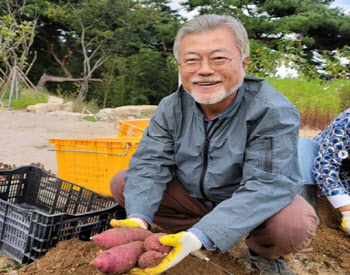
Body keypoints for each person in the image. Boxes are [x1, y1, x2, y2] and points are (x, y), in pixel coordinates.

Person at [110, 14, 319, 275]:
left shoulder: (272, 110)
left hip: (247, 201)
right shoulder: (171, 107)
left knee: (293, 223)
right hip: (192, 198)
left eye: (219, 58)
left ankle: (260, 253)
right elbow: (149, 164)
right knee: (124, 182)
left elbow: (267, 184)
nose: (204, 69)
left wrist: (205, 233)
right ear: (180, 66)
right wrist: (138, 220)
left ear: (243, 62)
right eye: (191, 60)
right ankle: (189, 234)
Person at [312, 108, 350, 234]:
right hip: (322, 173)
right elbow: (325, 165)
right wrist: (347, 211)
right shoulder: (347, 120)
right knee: (305, 146)